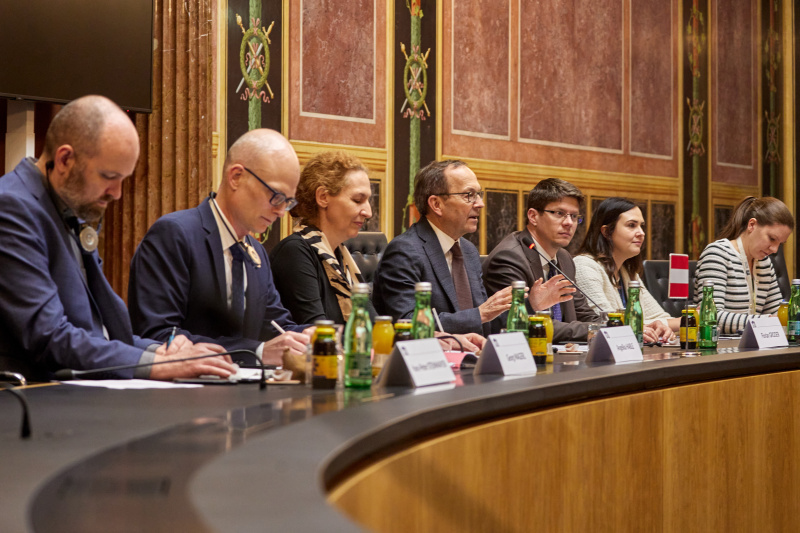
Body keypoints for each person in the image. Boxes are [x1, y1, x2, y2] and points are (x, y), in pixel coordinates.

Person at [0, 95, 235, 380]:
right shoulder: (11, 208)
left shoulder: (66, 205)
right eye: (109, 176)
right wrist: (159, 365)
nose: (117, 193)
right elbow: (50, 338)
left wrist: (161, 352)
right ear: (64, 159)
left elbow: (98, 333)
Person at [128, 129, 310, 366]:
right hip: (182, 394)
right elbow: (157, 334)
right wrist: (255, 351)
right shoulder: (175, 235)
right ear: (236, 177)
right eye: (276, 196)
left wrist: (314, 336)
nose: (280, 210)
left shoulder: (257, 252)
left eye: (288, 202)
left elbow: (276, 327)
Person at [372, 160, 566, 336]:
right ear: (436, 204)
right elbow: (407, 323)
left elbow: (486, 324)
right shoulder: (405, 251)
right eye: (469, 195)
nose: (480, 204)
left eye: (479, 195)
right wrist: (480, 314)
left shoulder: (468, 250)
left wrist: (531, 305)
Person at [483, 178, 596, 343]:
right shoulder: (509, 258)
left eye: (574, 216)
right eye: (559, 213)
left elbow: (583, 313)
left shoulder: (564, 258)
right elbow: (522, 324)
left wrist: (615, 327)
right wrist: (596, 331)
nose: (569, 223)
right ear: (533, 216)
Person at [270, 151, 375, 325]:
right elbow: (319, 334)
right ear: (323, 197)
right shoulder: (295, 252)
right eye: (357, 200)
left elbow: (373, 326)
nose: (369, 212)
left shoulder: (340, 254)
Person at [573, 197, 677, 342]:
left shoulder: (627, 271)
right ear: (607, 232)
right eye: (632, 225)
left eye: (641, 226)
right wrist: (651, 326)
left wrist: (662, 326)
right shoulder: (584, 266)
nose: (641, 233)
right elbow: (607, 322)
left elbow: (658, 318)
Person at [694, 196, 794, 334]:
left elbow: (777, 313)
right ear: (751, 225)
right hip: (718, 349)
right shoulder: (717, 254)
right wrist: (766, 322)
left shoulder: (764, 263)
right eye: (772, 239)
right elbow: (711, 317)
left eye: (780, 243)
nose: (775, 250)